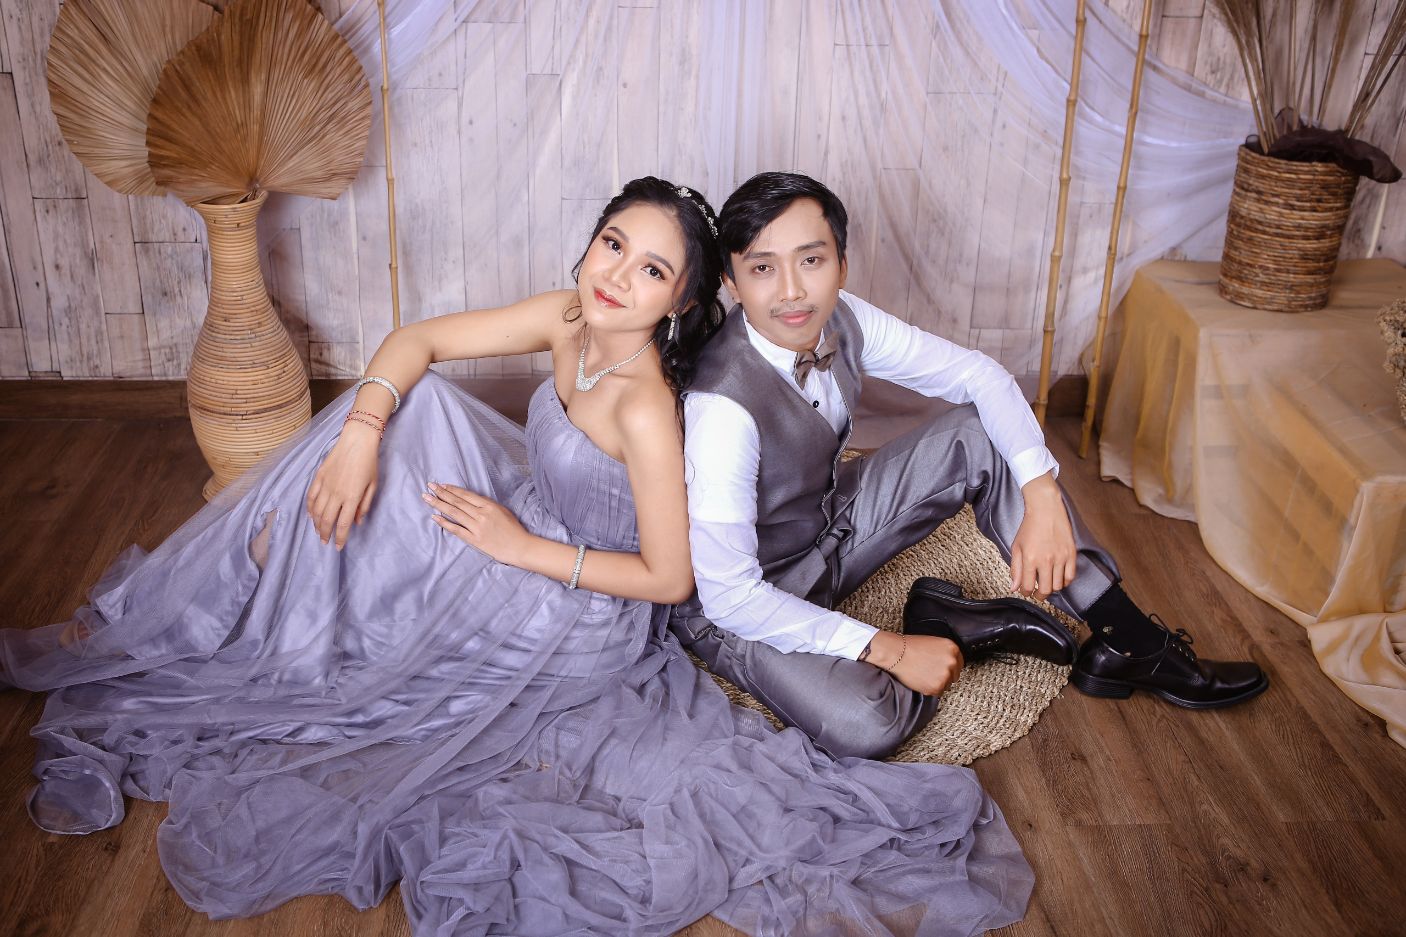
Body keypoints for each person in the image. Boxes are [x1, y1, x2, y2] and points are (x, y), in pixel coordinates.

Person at [1, 177, 1033, 935]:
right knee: (402, 418)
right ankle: (244, 595)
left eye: (651, 269)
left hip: (578, 597)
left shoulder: (650, 410)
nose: (617, 276)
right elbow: (415, 340)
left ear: (682, 299)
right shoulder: (569, 314)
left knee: (386, 592)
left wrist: (520, 546)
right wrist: (359, 429)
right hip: (531, 512)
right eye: (611, 245)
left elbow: (671, 580)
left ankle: (269, 604)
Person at [672, 171, 1269, 761]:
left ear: (842, 265)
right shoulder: (721, 408)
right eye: (762, 268)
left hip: (829, 528)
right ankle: (942, 623)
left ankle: (1128, 640)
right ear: (732, 282)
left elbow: (978, 376)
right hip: (748, 597)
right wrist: (892, 648)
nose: (792, 291)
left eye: (811, 260)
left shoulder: (841, 318)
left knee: (982, 433)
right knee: (867, 723)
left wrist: (1041, 494)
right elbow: (730, 598)